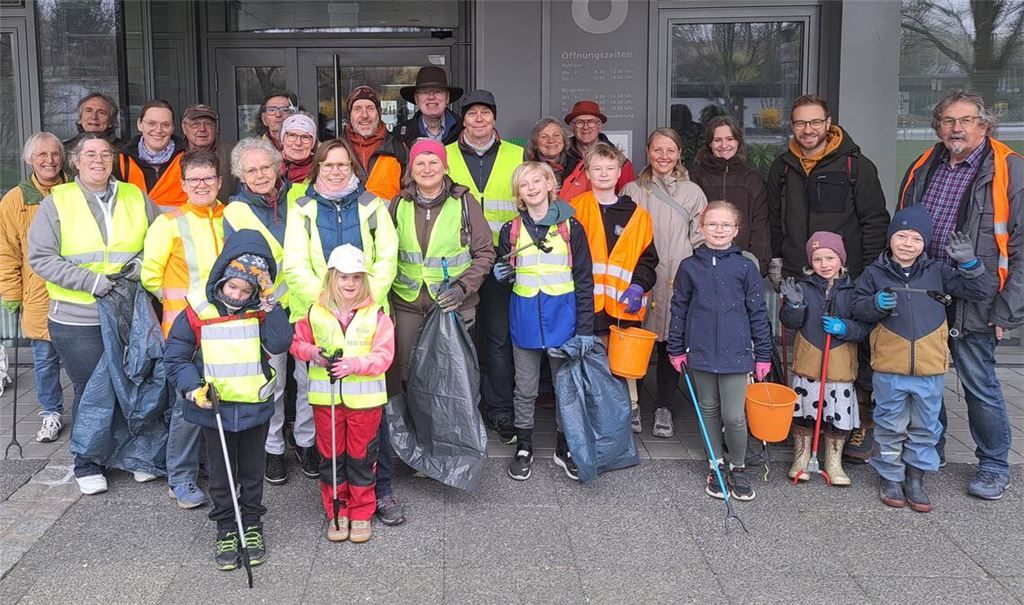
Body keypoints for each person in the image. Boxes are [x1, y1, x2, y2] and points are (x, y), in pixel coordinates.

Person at [896, 89, 1024, 500]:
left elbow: (1020, 249)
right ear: (937, 127)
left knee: (978, 383)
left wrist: (1007, 310)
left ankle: (994, 464)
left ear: (983, 125)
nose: (957, 128)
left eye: (966, 120)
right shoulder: (924, 164)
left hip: (978, 296)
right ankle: (932, 449)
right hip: (926, 290)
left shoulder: (1010, 170)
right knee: (927, 377)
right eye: (949, 121)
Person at [27, 134, 161, 495]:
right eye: (90, 154)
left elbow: (161, 238)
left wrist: (141, 266)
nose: (98, 160)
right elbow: (41, 257)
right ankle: (88, 462)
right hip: (78, 316)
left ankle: (132, 455)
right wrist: (90, 281)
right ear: (76, 161)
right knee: (92, 389)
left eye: (105, 154)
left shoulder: (134, 196)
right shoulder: (58, 201)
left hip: (127, 310)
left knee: (133, 382)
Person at [766, 94, 890, 465]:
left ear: (828, 123)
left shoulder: (855, 166)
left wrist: (869, 273)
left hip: (849, 278)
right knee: (807, 349)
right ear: (792, 125)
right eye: (800, 123)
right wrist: (777, 261)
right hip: (800, 277)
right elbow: (774, 219)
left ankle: (858, 423)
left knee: (852, 350)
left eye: (814, 122)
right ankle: (807, 421)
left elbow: (874, 220)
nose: (808, 129)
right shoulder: (782, 168)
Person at [283, 137, 402, 523]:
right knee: (328, 410)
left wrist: (362, 298)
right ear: (317, 168)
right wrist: (327, 300)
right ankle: (340, 498)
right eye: (328, 164)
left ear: (353, 167)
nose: (335, 171)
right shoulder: (302, 209)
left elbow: (387, 258)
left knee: (372, 410)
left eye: (342, 164)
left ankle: (380, 491)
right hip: (319, 318)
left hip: (368, 317)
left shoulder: (372, 206)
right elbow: (294, 264)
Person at [163, 229, 292, 570]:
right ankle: (225, 528)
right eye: (232, 286)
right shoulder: (198, 310)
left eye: (246, 290)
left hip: (254, 406)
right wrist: (193, 388)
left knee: (252, 472)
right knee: (220, 475)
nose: (237, 295)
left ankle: (251, 524)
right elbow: (176, 357)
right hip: (214, 408)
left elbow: (280, 342)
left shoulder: (262, 310)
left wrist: (270, 302)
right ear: (221, 277)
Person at [852, 205, 990, 512]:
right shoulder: (874, 273)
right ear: (890, 238)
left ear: (925, 242)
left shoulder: (938, 272)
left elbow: (980, 291)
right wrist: (875, 304)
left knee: (926, 427)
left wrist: (970, 263)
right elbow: (857, 308)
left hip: (929, 368)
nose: (907, 244)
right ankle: (890, 477)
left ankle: (915, 479)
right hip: (889, 367)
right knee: (890, 424)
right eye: (901, 236)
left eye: (916, 238)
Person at [493, 162, 594, 481]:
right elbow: (507, 274)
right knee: (525, 387)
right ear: (518, 194)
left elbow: (584, 280)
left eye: (537, 181)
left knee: (565, 387)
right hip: (524, 318)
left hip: (563, 319)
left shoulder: (571, 227)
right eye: (524, 184)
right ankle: (524, 445)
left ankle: (565, 446)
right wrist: (501, 274)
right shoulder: (510, 230)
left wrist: (585, 329)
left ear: (551, 184)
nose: (532, 188)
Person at [666, 200, 772, 501]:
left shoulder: (745, 267)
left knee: (734, 416)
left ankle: (738, 466)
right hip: (699, 352)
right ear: (702, 228)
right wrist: (676, 348)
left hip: (736, 353)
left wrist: (763, 353)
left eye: (726, 225)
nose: (719, 230)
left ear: (736, 230)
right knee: (708, 410)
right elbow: (679, 309)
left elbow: (758, 312)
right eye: (712, 224)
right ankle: (715, 464)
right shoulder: (689, 267)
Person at [290, 244, 394, 543]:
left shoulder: (377, 315)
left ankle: (361, 511)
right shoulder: (315, 312)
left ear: (364, 280)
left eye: (356, 277)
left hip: (365, 404)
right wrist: (314, 353)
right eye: (344, 277)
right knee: (331, 457)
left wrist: (353, 364)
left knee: (361, 458)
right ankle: (338, 509)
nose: (350, 284)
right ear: (331, 278)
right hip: (327, 401)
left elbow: (384, 356)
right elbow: (297, 344)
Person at [141, 150, 226, 509]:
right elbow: (150, 276)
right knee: (188, 405)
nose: (202, 185)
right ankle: (180, 477)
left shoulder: (230, 217)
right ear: (183, 184)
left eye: (208, 178)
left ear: (219, 182)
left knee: (220, 398)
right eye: (195, 180)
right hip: (185, 330)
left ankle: (210, 468)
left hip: (225, 329)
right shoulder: (169, 223)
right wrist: (187, 309)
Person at [445, 90, 524, 443]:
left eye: (485, 113)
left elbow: (529, 202)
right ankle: (462, 409)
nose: (479, 119)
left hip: (502, 261)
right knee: (460, 340)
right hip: (459, 262)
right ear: (462, 119)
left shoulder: (517, 155)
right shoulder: (444, 155)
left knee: (497, 338)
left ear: (494, 118)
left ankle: (500, 410)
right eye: (472, 113)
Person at [620, 128, 706, 439]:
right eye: (658, 150)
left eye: (670, 150)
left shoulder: (693, 192)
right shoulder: (631, 190)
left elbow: (701, 238)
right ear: (648, 151)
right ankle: (632, 404)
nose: (664, 156)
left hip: (678, 278)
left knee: (672, 342)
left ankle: (664, 407)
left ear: (679, 153)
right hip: (640, 279)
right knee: (634, 341)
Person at [223, 137, 298, 487]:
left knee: (311, 382)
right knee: (275, 383)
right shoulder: (235, 211)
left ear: (277, 166)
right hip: (267, 309)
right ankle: (274, 449)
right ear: (241, 175)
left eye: (265, 167)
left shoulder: (299, 198)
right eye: (251, 170)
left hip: (307, 302)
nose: (260, 175)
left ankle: (307, 442)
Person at [569, 142, 658, 433]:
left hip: (624, 303)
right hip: (587, 303)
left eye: (610, 168)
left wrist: (638, 285)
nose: (604, 173)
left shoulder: (638, 214)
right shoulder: (574, 209)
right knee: (591, 361)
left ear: (620, 172)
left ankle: (630, 410)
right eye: (597, 168)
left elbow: (648, 259)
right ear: (587, 173)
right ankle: (594, 412)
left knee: (624, 363)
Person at [779, 232, 869, 486]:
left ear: (841, 259)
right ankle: (801, 459)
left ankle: (833, 462)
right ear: (810, 262)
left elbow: (863, 328)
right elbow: (790, 323)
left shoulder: (854, 290)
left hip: (840, 365)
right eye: (817, 259)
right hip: (809, 363)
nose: (824, 264)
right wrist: (794, 306)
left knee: (837, 415)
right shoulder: (804, 287)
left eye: (830, 258)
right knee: (804, 414)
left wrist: (845, 328)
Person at [0, 132, 68, 443]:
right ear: (29, 159)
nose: (49, 160)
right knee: (45, 359)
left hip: (76, 290)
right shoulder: (14, 200)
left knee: (83, 359)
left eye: (54, 154)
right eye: (42, 155)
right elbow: (6, 251)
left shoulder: (75, 190)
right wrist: (11, 292)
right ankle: (51, 412)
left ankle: (89, 412)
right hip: (38, 292)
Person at [690, 116, 771, 274]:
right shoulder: (696, 178)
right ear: (709, 144)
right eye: (717, 140)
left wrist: (756, 266)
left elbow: (760, 227)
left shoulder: (752, 180)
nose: (724, 145)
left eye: (730, 139)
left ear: (738, 142)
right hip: (702, 265)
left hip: (743, 266)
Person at [115, 99, 187, 211]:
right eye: (151, 123)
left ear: (173, 128)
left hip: (176, 222)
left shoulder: (188, 159)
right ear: (139, 124)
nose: (158, 130)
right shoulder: (121, 160)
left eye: (166, 125)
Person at [342, 86, 406, 201]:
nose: (364, 115)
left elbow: (409, 190)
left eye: (370, 108)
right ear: (349, 114)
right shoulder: (336, 149)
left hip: (388, 213)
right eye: (357, 109)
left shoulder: (399, 148)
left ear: (379, 112)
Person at [563, 100, 635, 194]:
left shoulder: (621, 162)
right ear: (572, 127)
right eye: (579, 122)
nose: (585, 127)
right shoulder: (561, 159)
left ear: (600, 127)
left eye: (591, 122)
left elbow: (627, 198)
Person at [395, 65, 464, 147]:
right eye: (425, 92)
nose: (431, 97)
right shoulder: (400, 135)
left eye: (438, 91)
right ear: (416, 99)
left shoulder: (464, 129)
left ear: (447, 97)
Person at [181, 103, 237, 199]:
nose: (202, 129)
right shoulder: (176, 153)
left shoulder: (233, 153)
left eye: (208, 124)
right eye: (195, 124)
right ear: (184, 128)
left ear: (216, 128)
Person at [525, 117, 580, 199]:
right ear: (535, 143)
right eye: (544, 137)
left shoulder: (579, 167)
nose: (551, 140)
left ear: (564, 140)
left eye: (556, 135)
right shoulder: (526, 171)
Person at [280, 113, 319, 184]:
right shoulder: (269, 165)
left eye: (305, 137)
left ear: (313, 143)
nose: (298, 143)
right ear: (283, 139)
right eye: (292, 135)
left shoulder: (321, 170)